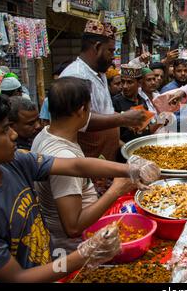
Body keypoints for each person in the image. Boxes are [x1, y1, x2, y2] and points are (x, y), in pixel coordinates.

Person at [0, 90, 155, 282]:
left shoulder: (15, 162)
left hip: (51, 261)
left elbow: (76, 165)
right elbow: (18, 278)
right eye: (3, 130)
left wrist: (130, 169)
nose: (14, 134)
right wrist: (82, 255)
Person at [31, 77, 159, 253]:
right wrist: (116, 190)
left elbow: (79, 169)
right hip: (77, 249)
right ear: (82, 110)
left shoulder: (45, 134)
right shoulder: (62, 154)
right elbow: (73, 227)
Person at [59, 20, 146, 161]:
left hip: (105, 156)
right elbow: (80, 120)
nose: (113, 57)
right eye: (111, 51)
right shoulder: (76, 76)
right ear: (97, 47)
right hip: (88, 159)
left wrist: (124, 123)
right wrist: (122, 118)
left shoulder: (100, 73)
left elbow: (104, 112)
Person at [112, 64, 144, 142]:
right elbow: (110, 135)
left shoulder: (142, 101)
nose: (125, 86)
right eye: (123, 82)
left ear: (139, 83)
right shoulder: (115, 102)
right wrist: (125, 148)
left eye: (129, 82)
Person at [160, 59, 187, 131]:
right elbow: (163, 116)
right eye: (179, 71)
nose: (183, 73)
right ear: (174, 73)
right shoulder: (167, 89)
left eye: (186, 71)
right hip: (172, 132)